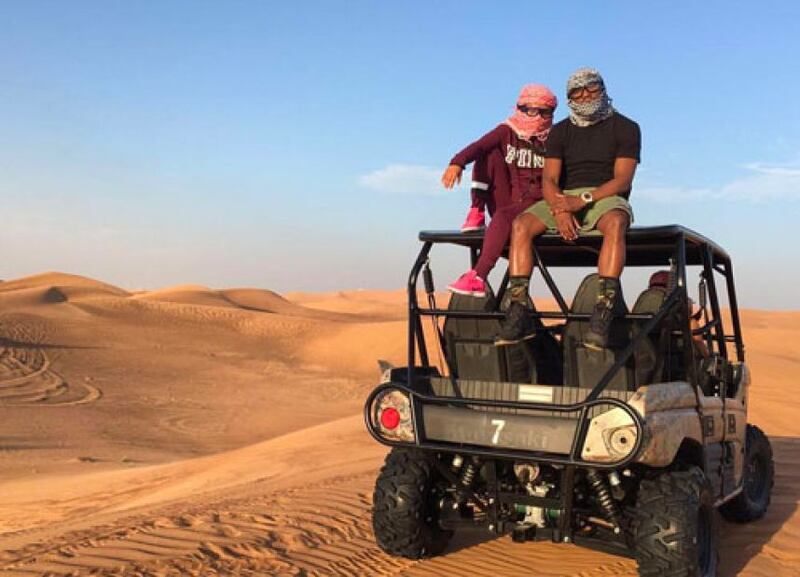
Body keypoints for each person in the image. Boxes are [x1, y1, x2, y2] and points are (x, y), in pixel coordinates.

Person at [496, 67, 641, 348]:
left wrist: (583, 200)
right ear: (569, 97)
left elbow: (623, 180)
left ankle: (604, 309)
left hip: (605, 196)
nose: (585, 95)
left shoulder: (626, 127)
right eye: (577, 91)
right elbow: (549, 179)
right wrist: (561, 209)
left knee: (616, 222)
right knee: (521, 225)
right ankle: (518, 308)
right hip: (563, 198)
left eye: (591, 88)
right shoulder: (560, 131)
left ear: (603, 89)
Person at [441, 84, 558, 297]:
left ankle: (479, 275)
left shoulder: (556, 138)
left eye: (545, 112)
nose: (538, 117)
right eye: (532, 111)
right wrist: (457, 162)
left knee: (504, 216)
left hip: (538, 205)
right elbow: (479, 145)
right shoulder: (507, 131)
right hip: (509, 200)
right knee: (488, 151)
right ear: (521, 108)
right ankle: (476, 210)